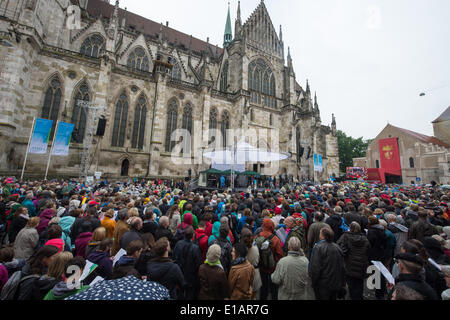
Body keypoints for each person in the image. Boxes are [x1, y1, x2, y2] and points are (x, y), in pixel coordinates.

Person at [336, 221, 370, 300]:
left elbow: (340, 248)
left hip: (350, 264)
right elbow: (368, 251)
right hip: (361, 264)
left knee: (351, 284)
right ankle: (358, 297)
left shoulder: (346, 236)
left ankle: (354, 296)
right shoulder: (364, 238)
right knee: (359, 284)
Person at [309, 227, 345, 300]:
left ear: (323, 236)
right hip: (335, 283)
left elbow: (315, 268)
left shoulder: (318, 247)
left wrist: (313, 282)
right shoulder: (337, 247)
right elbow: (342, 266)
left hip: (323, 284)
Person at [256, 218, 284, 300]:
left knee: (263, 288)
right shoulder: (275, 239)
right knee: (274, 288)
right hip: (273, 268)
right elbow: (280, 254)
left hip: (261, 267)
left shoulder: (257, 236)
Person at [173, 226, 202, 300]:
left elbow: (174, 257)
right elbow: (198, 264)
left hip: (180, 273)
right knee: (189, 295)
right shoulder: (195, 248)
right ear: (193, 235)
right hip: (191, 276)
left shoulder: (178, 244)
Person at [241, 227, 262, 300]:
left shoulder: (241, 249)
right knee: (253, 296)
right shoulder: (255, 247)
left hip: (245, 274)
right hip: (255, 273)